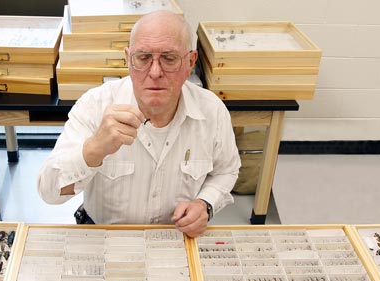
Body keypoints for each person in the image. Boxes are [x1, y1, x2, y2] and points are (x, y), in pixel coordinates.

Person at [37, 10, 240, 237]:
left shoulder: (212, 112)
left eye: (169, 58)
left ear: (190, 62)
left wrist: (205, 204)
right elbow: (49, 192)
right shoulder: (94, 106)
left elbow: (227, 170)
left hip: (175, 240)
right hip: (102, 237)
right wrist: (94, 149)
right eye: (143, 58)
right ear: (128, 60)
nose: (154, 72)